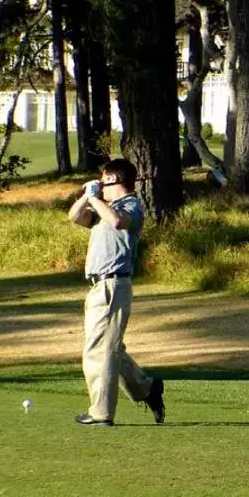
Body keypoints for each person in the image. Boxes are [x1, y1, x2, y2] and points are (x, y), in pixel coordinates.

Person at [67, 157, 165, 427]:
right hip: (98, 286)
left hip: (114, 284)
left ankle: (101, 413)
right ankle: (146, 388)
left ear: (113, 180)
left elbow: (118, 222)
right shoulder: (102, 206)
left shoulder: (131, 205)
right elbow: (74, 216)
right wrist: (88, 196)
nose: (100, 185)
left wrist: (96, 199)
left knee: (99, 351)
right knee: (110, 349)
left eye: (103, 181)